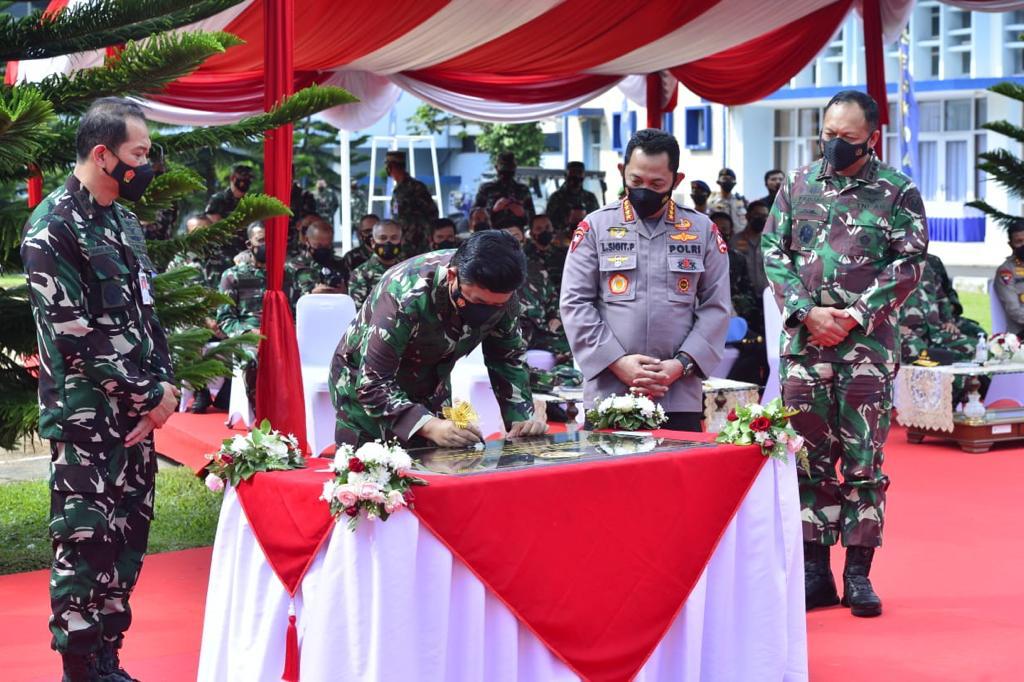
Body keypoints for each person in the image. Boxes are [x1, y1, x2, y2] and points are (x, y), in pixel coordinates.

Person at [21, 97, 180, 682]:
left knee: (126, 540)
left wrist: (165, 390)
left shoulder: (125, 222)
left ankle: (110, 656)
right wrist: (145, 397)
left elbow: (147, 317)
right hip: (87, 418)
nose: (148, 163)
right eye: (140, 153)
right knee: (85, 542)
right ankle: (81, 666)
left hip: (138, 415)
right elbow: (76, 338)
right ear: (102, 154)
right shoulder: (53, 227)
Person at [762, 90, 928, 619]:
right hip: (805, 346)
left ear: (871, 138)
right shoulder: (797, 185)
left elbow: (909, 264)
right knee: (807, 460)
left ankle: (858, 573)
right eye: (828, 135)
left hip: (866, 351)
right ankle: (816, 572)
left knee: (864, 462)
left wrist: (854, 315)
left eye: (847, 139)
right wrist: (807, 312)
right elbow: (772, 251)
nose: (834, 145)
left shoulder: (897, 192)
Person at [560, 128, 730, 432]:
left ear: (676, 181)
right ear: (622, 172)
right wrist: (617, 362)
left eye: (657, 184)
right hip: (609, 392)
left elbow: (716, 307)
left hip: (676, 394)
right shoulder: (596, 227)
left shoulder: (702, 230)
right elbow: (575, 303)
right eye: (635, 181)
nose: (644, 190)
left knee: (677, 479)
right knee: (609, 478)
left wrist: (680, 365)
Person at [328, 230, 547, 447]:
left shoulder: (503, 295)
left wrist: (521, 420)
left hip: (431, 379)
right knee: (376, 468)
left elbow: (507, 359)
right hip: (362, 389)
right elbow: (372, 383)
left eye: (496, 306)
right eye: (477, 302)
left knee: (438, 462)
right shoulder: (403, 294)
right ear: (452, 277)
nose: (487, 312)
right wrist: (429, 426)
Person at [386, 150, 438, 257]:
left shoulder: (415, 187)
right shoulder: (398, 189)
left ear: (391, 167)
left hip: (417, 242)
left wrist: (426, 233)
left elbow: (432, 212)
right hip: (402, 241)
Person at [287, 216, 349, 300]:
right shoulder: (292, 266)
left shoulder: (340, 263)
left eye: (327, 246)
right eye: (318, 245)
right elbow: (285, 299)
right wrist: (311, 294)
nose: (322, 249)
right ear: (307, 240)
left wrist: (344, 293)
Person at [348, 219, 404, 308]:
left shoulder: (408, 269)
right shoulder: (360, 274)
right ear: (373, 242)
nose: (388, 242)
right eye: (383, 238)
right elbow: (359, 313)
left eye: (394, 238)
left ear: (401, 241)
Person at [473, 151, 535, 228]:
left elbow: (534, 219)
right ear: (496, 167)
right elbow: (474, 216)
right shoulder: (486, 188)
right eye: (504, 167)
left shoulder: (523, 189)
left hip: (516, 235)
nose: (507, 171)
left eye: (510, 167)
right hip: (492, 234)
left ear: (515, 167)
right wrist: (493, 209)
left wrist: (522, 213)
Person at [546, 161, 600, 235]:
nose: (576, 176)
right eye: (573, 172)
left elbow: (597, 221)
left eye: (579, 173)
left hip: (587, 238)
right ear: (566, 175)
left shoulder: (590, 197)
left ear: (583, 176)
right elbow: (549, 223)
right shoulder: (556, 198)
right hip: (562, 239)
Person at [730, 199, 770, 295]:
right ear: (747, 216)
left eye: (765, 216)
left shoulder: (772, 243)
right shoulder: (734, 241)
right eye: (757, 215)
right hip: (743, 299)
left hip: (768, 298)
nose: (761, 219)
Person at [523, 213, 568, 291]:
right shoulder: (524, 256)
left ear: (552, 229)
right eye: (539, 229)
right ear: (531, 233)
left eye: (547, 227)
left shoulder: (565, 254)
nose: (544, 231)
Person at [994, 220, 1024, 334]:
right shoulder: (1006, 271)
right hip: (1020, 332)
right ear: (1011, 244)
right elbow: (1014, 310)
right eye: (1019, 242)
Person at [708, 167, 748, 232]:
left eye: (731, 179)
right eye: (725, 178)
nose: (728, 181)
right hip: (719, 238)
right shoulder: (711, 202)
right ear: (718, 182)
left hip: (737, 238)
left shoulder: (742, 201)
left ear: (734, 183)